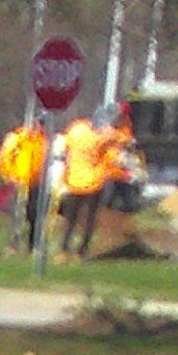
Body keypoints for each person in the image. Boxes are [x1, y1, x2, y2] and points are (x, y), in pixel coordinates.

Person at [60, 104, 122, 256]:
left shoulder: (76, 130)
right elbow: (114, 156)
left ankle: (64, 249)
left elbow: (65, 148)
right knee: (89, 218)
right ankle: (82, 250)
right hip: (94, 182)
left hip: (73, 180)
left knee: (70, 218)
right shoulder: (106, 137)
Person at [0, 116, 48, 252]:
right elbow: (5, 157)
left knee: (34, 215)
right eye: (40, 123)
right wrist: (9, 175)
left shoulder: (43, 141)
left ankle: (32, 246)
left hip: (36, 183)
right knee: (18, 214)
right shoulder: (20, 137)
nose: (42, 127)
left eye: (44, 124)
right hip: (21, 181)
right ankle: (13, 245)